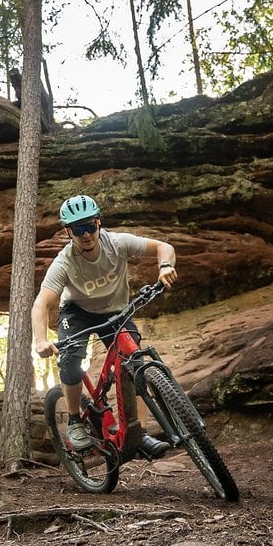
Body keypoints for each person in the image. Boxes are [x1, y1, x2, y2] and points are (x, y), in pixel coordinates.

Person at [32, 194, 173, 459]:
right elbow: (42, 303)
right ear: (68, 231)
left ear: (98, 222)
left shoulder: (117, 243)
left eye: (90, 226)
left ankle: (138, 434)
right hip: (77, 313)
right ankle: (75, 420)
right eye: (78, 229)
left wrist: (164, 267)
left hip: (116, 311)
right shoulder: (65, 261)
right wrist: (40, 340)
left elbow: (162, 247)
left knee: (135, 363)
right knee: (71, 360)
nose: (85, 234)